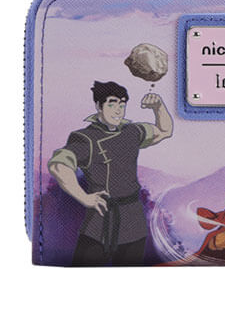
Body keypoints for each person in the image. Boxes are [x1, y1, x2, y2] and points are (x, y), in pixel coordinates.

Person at [48, 81, 173, 265]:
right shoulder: (85, 138)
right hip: (99, 222)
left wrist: (158, 107)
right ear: (99, 106)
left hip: (133, 223)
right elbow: (59, 165)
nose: (118, 111)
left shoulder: (133, 131)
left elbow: (164, 130)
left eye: (122, 105)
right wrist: (83, 197)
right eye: (112, 104)